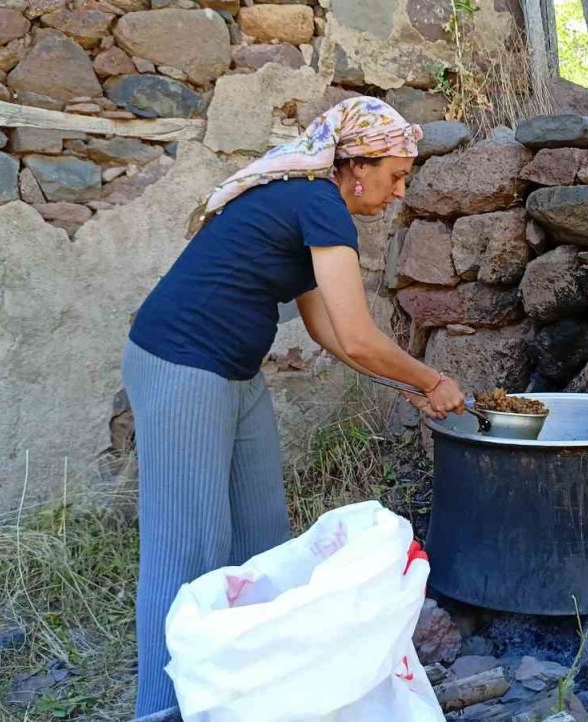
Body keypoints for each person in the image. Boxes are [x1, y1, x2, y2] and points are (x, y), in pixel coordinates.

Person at [121, 97, 467, 716]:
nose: (398, 192)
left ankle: (255, 695)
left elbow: (329, 334)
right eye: (395, 175)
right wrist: (433, 377)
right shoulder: (317, 201)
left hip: (233, 369)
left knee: (262, 539)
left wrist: (408, 384)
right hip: (180, 364)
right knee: (188, 548)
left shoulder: (310, 201)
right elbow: (359, 336)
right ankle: (162, 707)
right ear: (356, 166)